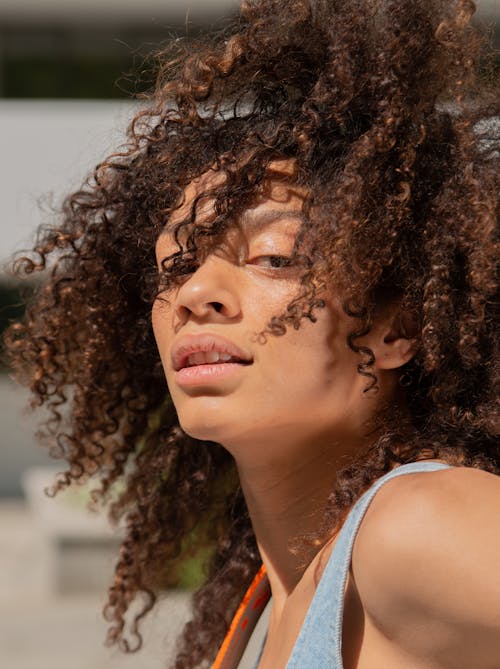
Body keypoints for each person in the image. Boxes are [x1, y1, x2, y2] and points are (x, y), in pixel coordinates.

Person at [4, 0, 499, 667]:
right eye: (175, 265)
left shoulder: (413, 524)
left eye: (274, 257)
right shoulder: (258, 606)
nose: (196, 294)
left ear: (396, 326)